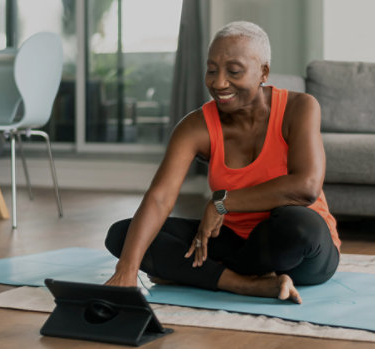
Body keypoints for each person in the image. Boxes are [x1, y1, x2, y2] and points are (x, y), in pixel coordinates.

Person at [105, 21, 341, 304]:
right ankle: (244, 284)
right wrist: (126, 271)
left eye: (234, 71)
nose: (218, 83)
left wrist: (222, 202)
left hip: (297, 250)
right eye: (212, 70)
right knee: (123, 236)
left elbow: (307, 187)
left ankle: (197, 274)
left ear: (263, 71)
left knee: (298, 224)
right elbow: (160, 198)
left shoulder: (299, 107)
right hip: (233, 242)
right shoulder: (195, 127)